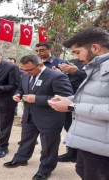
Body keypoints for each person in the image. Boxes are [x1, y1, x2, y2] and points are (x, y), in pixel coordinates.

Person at [48, 28, 109, 180]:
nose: (74, 57)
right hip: (90, 139)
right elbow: (95, 96)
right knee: (81, 169)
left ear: (95, 48)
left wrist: (71, 106)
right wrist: (70, 99)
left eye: (77, 52)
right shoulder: (96, 67)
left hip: (102, 143)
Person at [3, 55, 73, 180]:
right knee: (26, 139)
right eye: (23, 70)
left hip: (50, 117)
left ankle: (46, 169)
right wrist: (18, 94)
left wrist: (37, 99)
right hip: (29, 114)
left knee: (48, 145)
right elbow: (20, 89)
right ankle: (21, 158)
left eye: (29, 70)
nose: (26, 72)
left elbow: (66, 98)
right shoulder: (25, 75)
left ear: (40, 65)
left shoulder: (57, 76)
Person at [56, 60, 86, 162]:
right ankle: (71, 153)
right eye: (74, 51)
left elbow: (93, 79)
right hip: (69, 101)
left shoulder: (98, 62)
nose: (76, 54)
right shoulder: (70, 62)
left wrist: (76, 71)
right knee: (69, 127)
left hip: (85, 103)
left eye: (78, 51)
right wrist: (58, 74)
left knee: (83, 130)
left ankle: (82, 155)